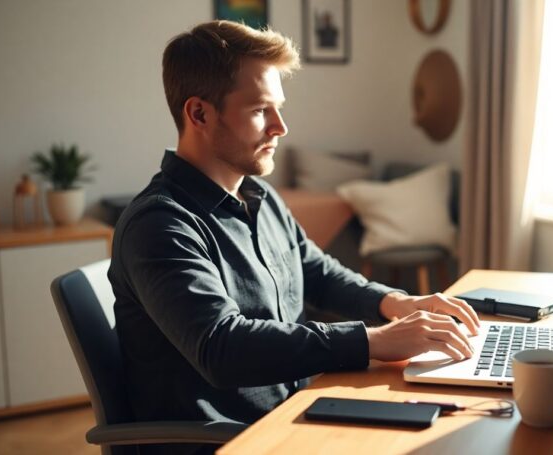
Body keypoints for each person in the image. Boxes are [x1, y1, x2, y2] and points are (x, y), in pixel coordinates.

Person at [108, 20, 479, 454]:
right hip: (229, 441)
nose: (280, 127)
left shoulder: (257, 195)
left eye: (279, 108)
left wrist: (394, 303)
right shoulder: (160, 224)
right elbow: (221, 347)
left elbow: (317, 272)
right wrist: (372, 341)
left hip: (294, 411)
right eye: (260, 110)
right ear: (199, 114)